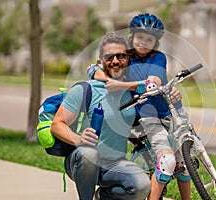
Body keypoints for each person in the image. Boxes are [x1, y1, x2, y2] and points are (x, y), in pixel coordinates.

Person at [88, 13, 191, 200]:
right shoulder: (124, 57)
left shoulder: (158, 57)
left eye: (149, 39)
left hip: (170, 110)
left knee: (186, 162)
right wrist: (105, 77)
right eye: (140, 37)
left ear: (156, 42)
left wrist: (155, 82)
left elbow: (156, 78)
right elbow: (94, 68)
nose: (144, 42)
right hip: (147, 114)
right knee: (167, 160)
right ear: (132, 37)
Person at [51, 32, 151, 200]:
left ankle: (103, 196)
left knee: (142, 187)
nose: (115, 61)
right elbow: (57, 124)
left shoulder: (128, 90)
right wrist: (78, 139)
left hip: (115, 164)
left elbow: (153, 86)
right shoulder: (85, 89)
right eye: (109, 56)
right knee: (89, 154)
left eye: (121, 56)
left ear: (128, 58)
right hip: (82, 159)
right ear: (101, 59)